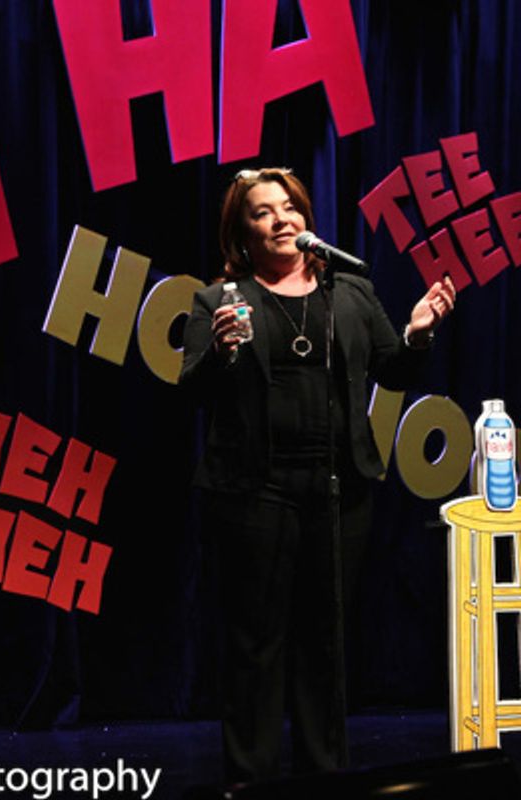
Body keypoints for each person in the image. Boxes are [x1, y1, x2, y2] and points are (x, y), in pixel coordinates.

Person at [179, 167, 456, 782]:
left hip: (338, 492)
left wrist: (416, 335)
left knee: (324, 642)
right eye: (262, 212)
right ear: (242, 235)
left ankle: (324, 778)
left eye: (290, 208)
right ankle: (250, 779)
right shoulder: (217, 301)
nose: (281, 219)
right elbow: (191, 391)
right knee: (255, 645)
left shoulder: (348, 292)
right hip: (254, 493)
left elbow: (394, 370)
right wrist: (222, 354)